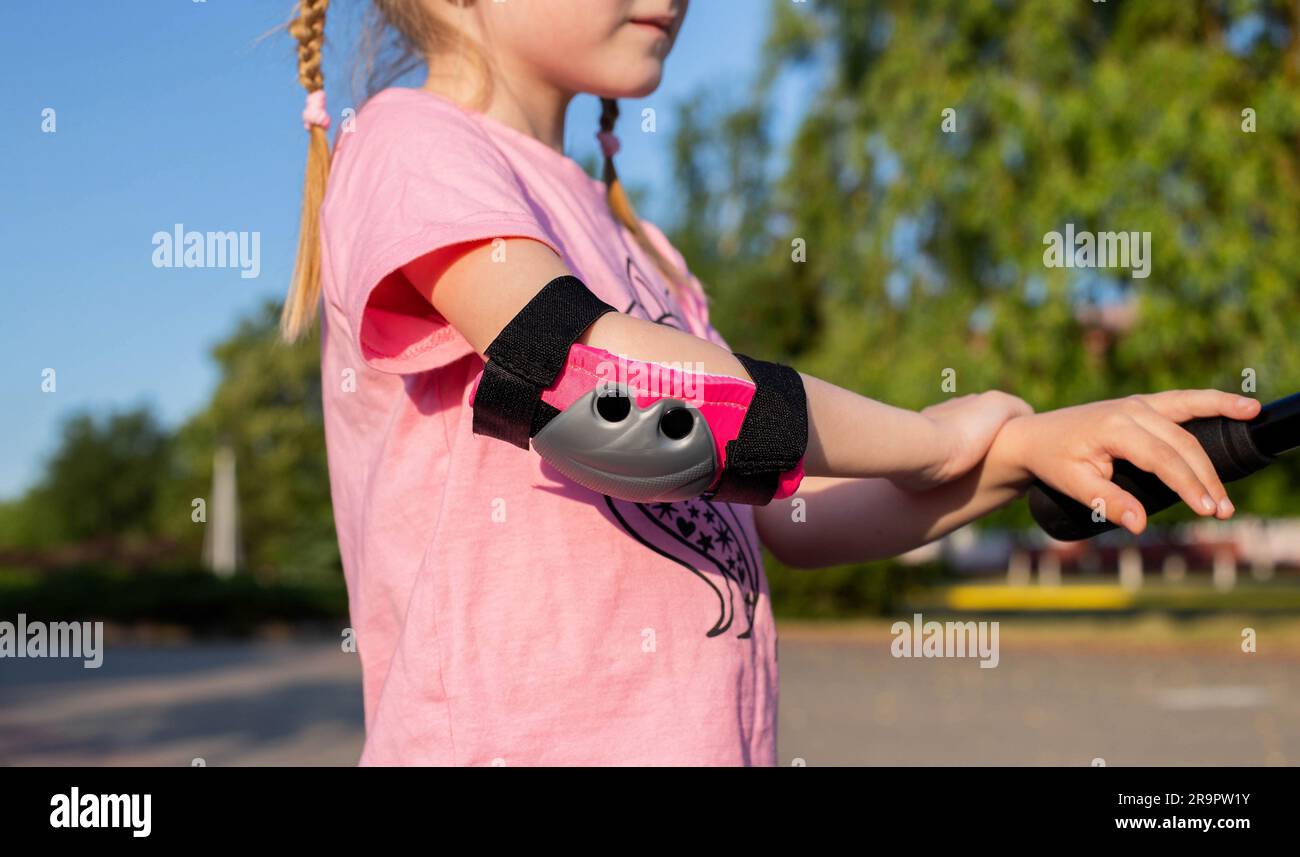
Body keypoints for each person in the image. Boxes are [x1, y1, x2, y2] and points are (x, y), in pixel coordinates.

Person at [280, 0, 1259, 765]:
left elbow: (777, 496)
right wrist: (927, 434)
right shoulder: (412, 145)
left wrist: (1015, 449)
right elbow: (586, 381)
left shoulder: (641, 248)